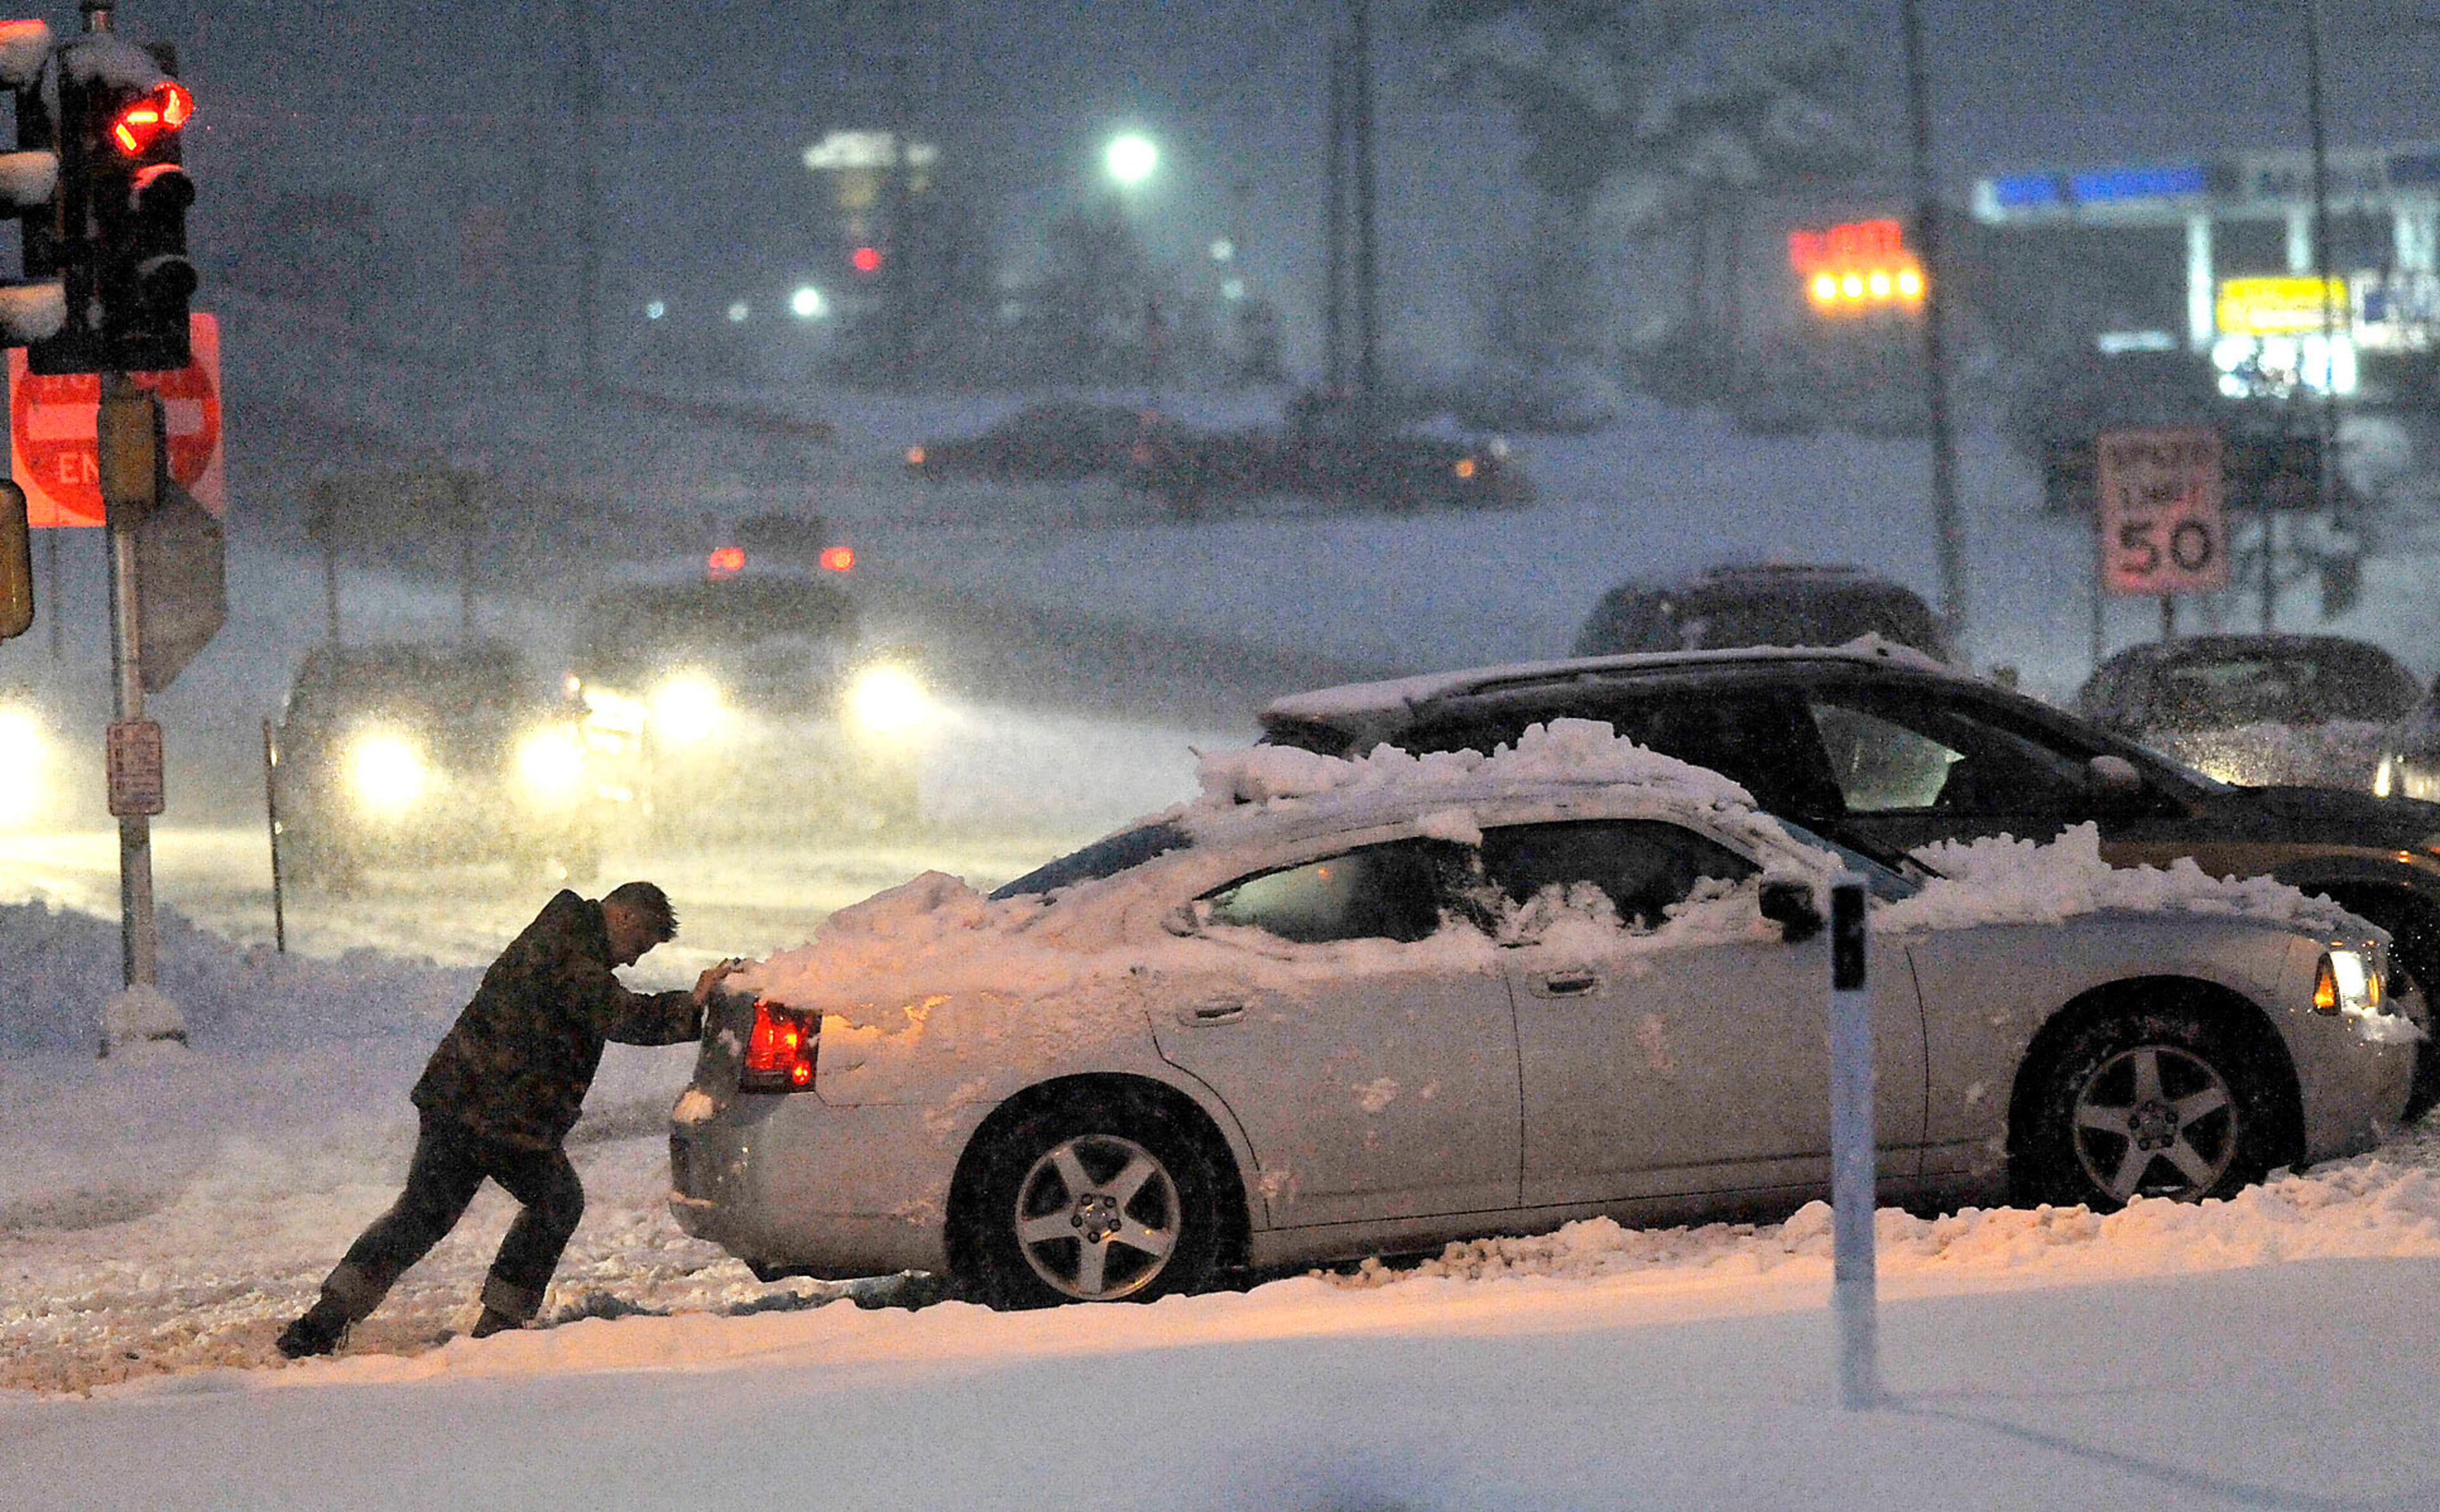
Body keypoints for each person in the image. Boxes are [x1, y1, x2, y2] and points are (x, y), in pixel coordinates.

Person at [276, 881, 738, 1358]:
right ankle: (496, 1327)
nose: (634, 960)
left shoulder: (568, 936)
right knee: (550, 1202)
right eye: (639, 944)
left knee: (423, 1214)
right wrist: (690, 1004)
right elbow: (615, 1014)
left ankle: (324, 1322)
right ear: (622, 918)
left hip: (473, 1100)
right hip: (493, 1108)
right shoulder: (569, 943)